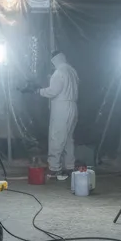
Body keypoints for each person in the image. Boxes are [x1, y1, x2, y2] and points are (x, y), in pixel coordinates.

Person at [38, 50, 79, 181]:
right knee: (68, 139)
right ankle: (70, 166)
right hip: (73, 106)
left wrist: (39, 91)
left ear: (54, 60)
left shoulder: (59, 72)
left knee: (57, 136)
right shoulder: (72, 71)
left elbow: (53, 91)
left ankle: (54, 168)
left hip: (61, 107)